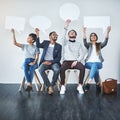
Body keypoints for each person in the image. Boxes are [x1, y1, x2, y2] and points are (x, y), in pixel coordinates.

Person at [60, 19, 85, 95]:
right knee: (62, 68)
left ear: (75, 35)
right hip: (66, 61)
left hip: (75, 61)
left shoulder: (79, 43)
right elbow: (63, 36)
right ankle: (63, 86)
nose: (72, 33)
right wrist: (66, 27)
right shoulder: (65, 42)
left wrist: (77, 61)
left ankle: (80, 85)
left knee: (82, 67)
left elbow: (82, 54)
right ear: (68, 35)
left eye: (73, 32)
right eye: (70, 32)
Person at [83, 26, 111, 92]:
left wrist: (107, 32)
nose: (93, 36)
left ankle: (89, 83)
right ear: (90, 38)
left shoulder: (99, 45)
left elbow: (106, 41)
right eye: (91, 36)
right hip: (88, 63)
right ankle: (97, 84)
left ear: (96, 37)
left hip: (99, 63)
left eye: (94, 35)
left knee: (95, 64)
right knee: (95, 69)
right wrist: (84, 32)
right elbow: (84, 41)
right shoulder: (88, 45)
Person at [35, 28, 62, 95]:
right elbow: (38, 45)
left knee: (57, 69)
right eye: (54, 35)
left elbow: (59, 58)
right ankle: (49, 86)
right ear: (50, 37)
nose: (55, 36)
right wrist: (37, 34)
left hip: (54, 62)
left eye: (56, 35)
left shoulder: (59, 46)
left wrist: (51, 62)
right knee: (40, 69)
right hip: (44, 62)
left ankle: (52, 85)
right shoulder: (45, 43)